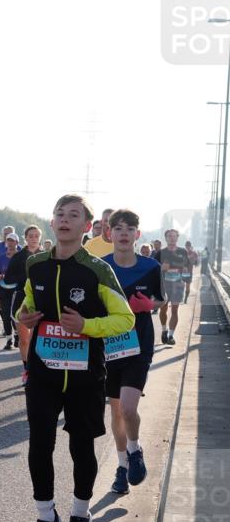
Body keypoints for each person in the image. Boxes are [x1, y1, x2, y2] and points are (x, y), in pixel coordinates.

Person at [15, 195, 133, 522]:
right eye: (59, 214)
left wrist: (87, 325)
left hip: (84, 376)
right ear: (52, 222)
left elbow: (125, 318)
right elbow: (25, 308)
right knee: (40, 444)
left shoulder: (98, 269)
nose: (65, 220)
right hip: (44, 373)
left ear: (87, 226)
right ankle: (44, 515)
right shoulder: (35, 264)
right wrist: (25, 316)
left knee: (81, 447)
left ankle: (80, 516)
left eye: (74, 215)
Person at [102, 210, 163, 494]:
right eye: (118, 228)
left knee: (128, 408)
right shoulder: (100, 268)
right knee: (116, 413)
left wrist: (149, 307)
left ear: (137, 234)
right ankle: (122, 465)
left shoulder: (151, 266)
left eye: (130, 229)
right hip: (110, 347)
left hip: (139, 346)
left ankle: (135, 450)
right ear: (109, 233)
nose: (124, 233)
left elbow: (161, 299)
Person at [5, 225, 42, 383]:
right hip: (22, 299)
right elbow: (8, 279)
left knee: (38, 338)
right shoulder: (18, 257)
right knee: (25, 339)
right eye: (30, 236)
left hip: (42, 299)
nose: (33, 238)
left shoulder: (47, 256)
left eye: (36, 236)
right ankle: (27, 369)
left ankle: (38, 369)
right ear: (25, 238)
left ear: (39, 238)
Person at [158, 229, 189, 345]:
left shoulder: (183, 252)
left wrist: (185, 279)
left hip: (177, 285)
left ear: (177, 238)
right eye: (169, 236)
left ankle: (171, 335)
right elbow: (153, 270)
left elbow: (187, 268)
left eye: (174, 236)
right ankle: (163, 330)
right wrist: (161, 268)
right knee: (163, 309)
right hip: (164, 286)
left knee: (175, 310)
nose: (172, 238)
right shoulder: (160, 253)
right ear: (166, 238)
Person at [0, 232, 20, 345]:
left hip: (16, 289)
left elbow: (22, 274)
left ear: (17, 242)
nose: (10, 243)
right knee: (5, 315)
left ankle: (17, 334)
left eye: (12, 240)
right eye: (8, 240)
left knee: (14, 314)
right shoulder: (1, 257)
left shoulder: (20, 257)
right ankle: (9, 340)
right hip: (3, 289)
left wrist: (9, 277)